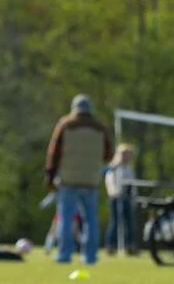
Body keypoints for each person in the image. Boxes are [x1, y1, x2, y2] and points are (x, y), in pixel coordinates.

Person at [44, 93, 112, 265]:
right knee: (91, 220)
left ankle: (64, 254)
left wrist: (50, 176)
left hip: (68, 179)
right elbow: (108, 154)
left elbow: (53, 153)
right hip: (91, 180)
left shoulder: (65, 124)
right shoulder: (100, 127)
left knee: (66, 219)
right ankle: (90, 256)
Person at [104, 143, 135, 255]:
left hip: (127, 198)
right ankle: (110, 246)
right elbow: (110, 182)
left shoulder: (129, 169)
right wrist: (115, 193)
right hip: (115, 198)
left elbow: (132, 184)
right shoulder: (113, 167)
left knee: (129, 223)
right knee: (115, 222)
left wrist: (133, 196)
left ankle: (130, 246)